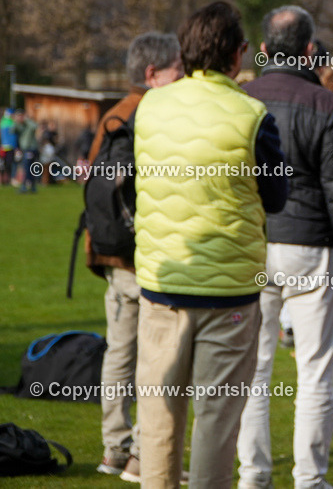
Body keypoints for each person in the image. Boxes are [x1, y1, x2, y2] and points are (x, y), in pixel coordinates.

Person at [133, 1, 288, 488]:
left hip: (162, 285)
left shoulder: (149, 105)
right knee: (217, 423)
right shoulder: (252, 114)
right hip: (230, 295)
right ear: (238, 53)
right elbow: (277, 196)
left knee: (159, 419)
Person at [237, 6, 333, 488]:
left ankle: (254, 476)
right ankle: (309, 480)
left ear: (265, 50)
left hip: (255, 244)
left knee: (255, 369)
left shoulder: (243, 98)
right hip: (311, 245)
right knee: (314, 373)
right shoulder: (325, 105)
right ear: (310, 51)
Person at [87, 32, 184, 481]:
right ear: (152, 74)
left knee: (119, 355)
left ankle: (113, 448)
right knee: (156, 359)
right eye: (177, 70)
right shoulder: (151, 113)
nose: (183, 77)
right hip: (143, 258)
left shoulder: (113, 115)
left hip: (108, 255)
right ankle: (143, 456)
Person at [14, 109, 39, 193]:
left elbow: (34, 127)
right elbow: (12, 130)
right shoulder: (21, 126)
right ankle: (32, 187)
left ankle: (25, 186)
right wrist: (17, 121)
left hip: (31, 149)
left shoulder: (29, 124)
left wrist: (26, 119)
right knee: (28, 168)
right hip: (25, 149)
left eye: (21, 116)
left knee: (28, 168)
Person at [2, 108, 17, 185]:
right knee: (10, 164)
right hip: (10, 147)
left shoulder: (2, 122)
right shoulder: (12, 123)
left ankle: (5, 180)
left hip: (4, 147)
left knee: (4, 165)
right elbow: (14, 137)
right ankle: (10, 179)